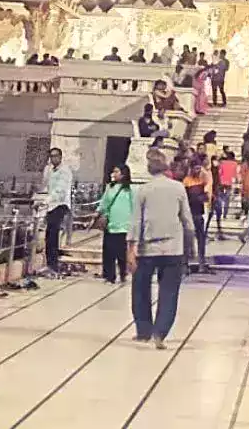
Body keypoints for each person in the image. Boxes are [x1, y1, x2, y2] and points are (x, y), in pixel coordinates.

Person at [128, 149, 196, 350]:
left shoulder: (144, 190)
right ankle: (160, 332)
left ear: (149, 169)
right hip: (173, 248)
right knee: (169, 292)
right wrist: (189, 245)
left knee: (140, 289)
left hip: (147, 248)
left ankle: (143, 331)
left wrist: (131, 248)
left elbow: (135, 221)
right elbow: (187, 221)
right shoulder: (178, 188)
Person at [97, 165, 134, 284]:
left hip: (123, 225)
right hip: (110, 224)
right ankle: (109, 275)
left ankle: (123, 273)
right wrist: (98, 213)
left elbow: (134, 207)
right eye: (114, 171)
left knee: (121, 252)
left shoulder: (130, 190)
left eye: (117, 171)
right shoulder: (109, 187)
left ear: (123, 174)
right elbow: (104, 202)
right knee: (108, 251)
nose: (114, 173)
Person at [39, 148, 74, 272]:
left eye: (55, 156)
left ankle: (53, 265)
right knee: (49, 235)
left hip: (60, 205)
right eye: (51, 156)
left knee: (53, 234)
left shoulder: (65, 171)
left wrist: (46, 201)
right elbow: (46, 187)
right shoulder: (50, 170)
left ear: (60, 157)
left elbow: (60, 190)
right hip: (51, 205)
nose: (53, 159)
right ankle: (49, 263)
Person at [181, 155, 213, 273]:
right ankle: (185, 264)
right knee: (187, 240)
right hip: (189, 213)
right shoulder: (186, 181)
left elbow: (206, 196)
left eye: (199, 168)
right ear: (191, 168)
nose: (198, 171)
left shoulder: (202, 180)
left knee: (201, 238)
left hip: (199, 213)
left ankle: (201, 262)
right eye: (196, 168)